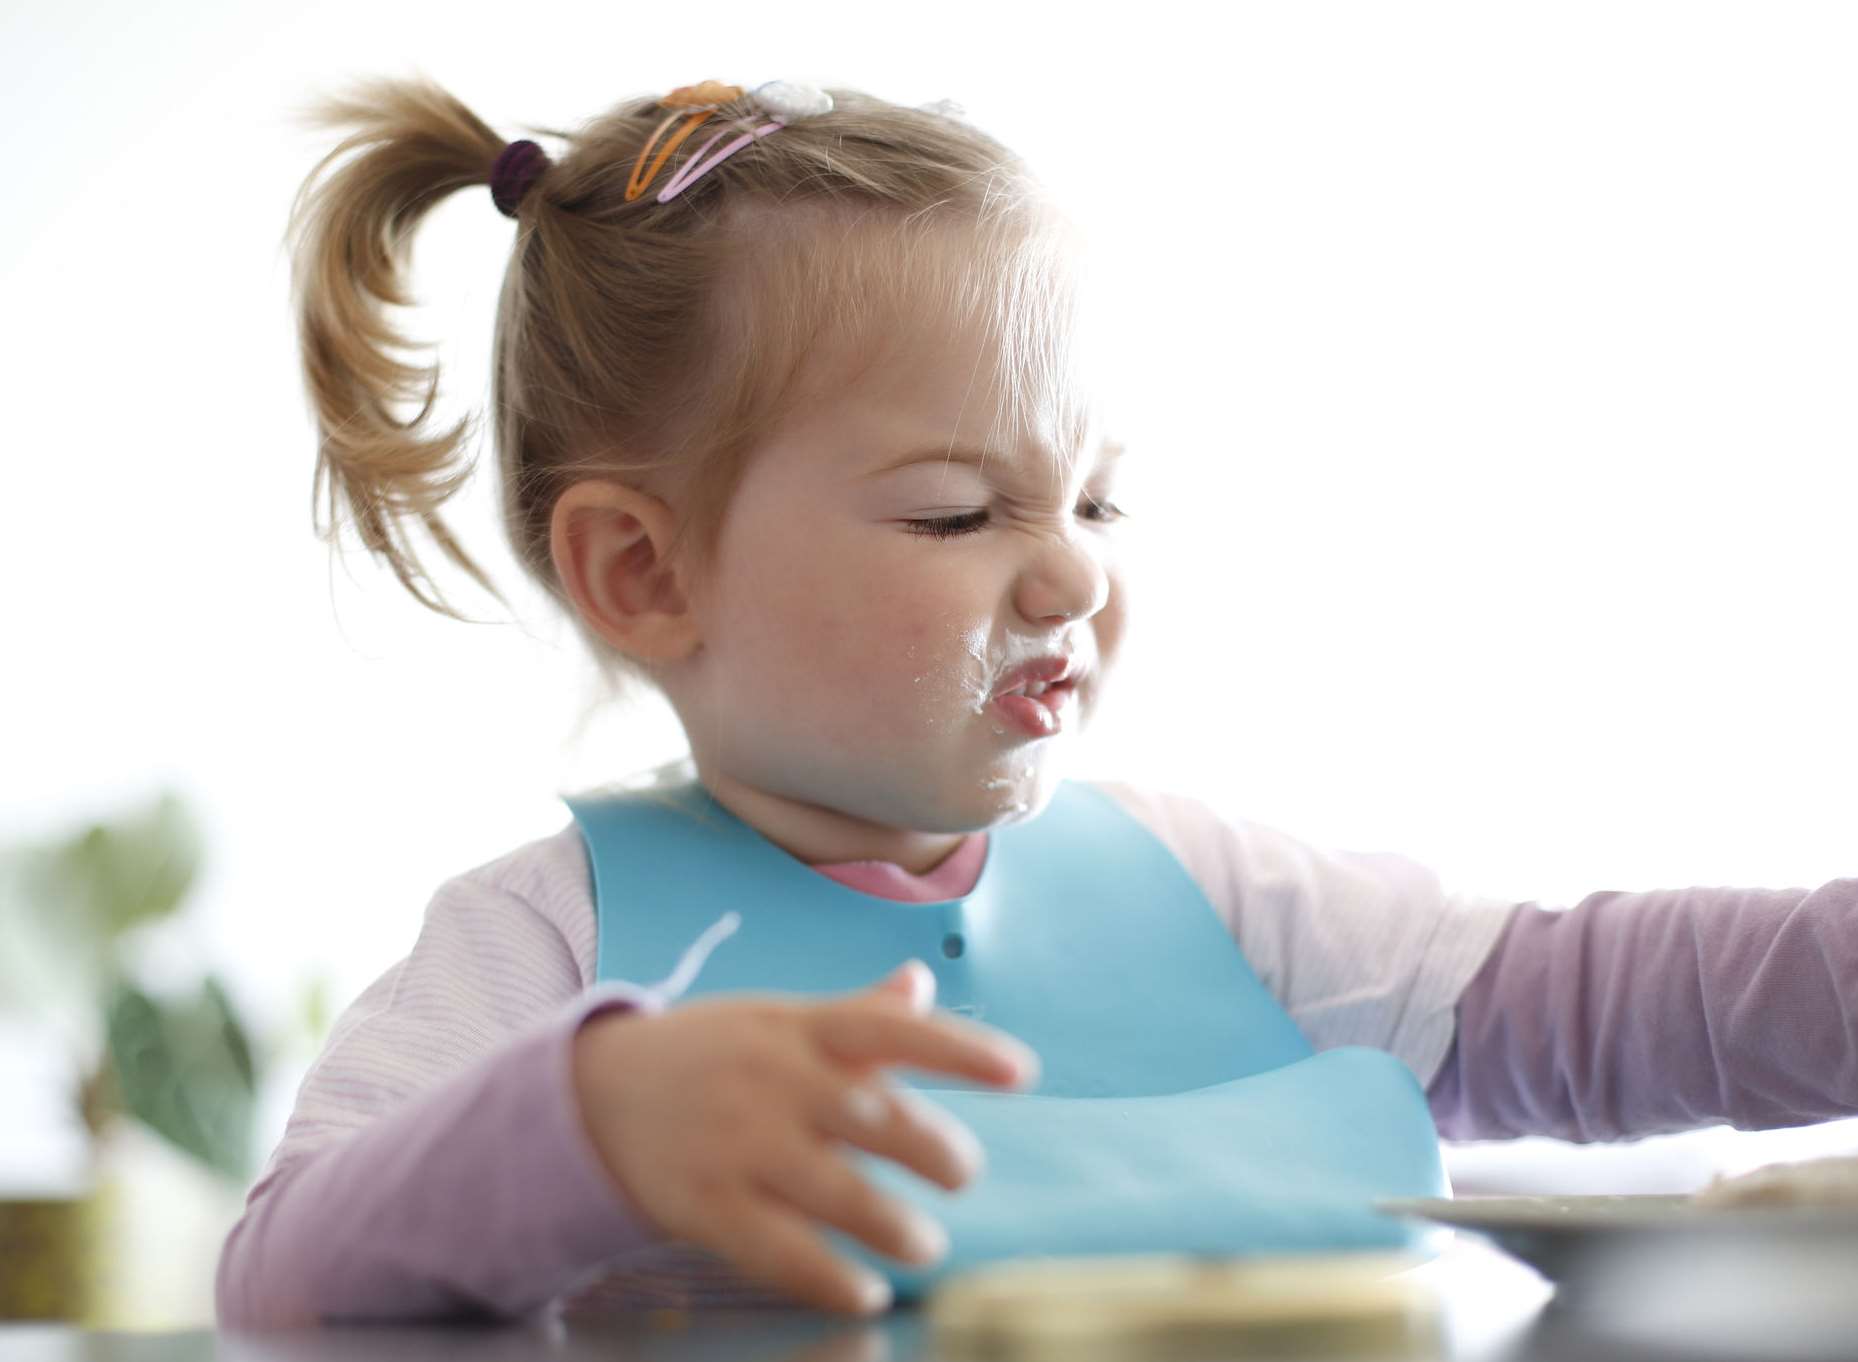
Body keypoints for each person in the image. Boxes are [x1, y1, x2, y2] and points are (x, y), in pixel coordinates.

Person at [218, 74, 1858, 1329]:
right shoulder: (547, 945)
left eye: (1095, 503)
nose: (1069, 576)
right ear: (644, 571)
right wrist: (583, 1124)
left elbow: (1582, 1011)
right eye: (954, 513)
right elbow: (281, 1280)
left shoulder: (1212, 891)